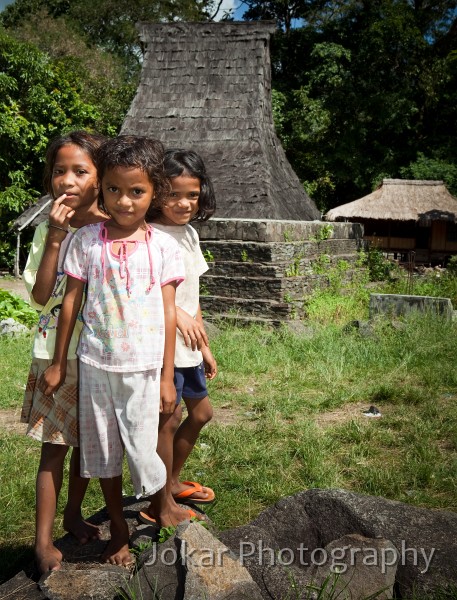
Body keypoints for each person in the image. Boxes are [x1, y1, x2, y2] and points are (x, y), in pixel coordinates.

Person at [39, 135, 186, 567]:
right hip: (95, 364)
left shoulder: (164, 247)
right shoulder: (86, 241)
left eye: (136, 192)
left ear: (154, 192)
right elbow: (70, 303)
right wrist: (57, 362)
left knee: (143, 449)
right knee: (102, 452)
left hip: (143, 368)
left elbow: (170, 315)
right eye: (115, 190)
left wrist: (165, 376)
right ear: (102, 190)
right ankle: (119, 527)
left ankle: (158, 505)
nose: (124, 201)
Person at [21, 130, 107, 574]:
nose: (67, 180)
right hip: (55, 355)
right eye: (59, 170)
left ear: (99, 178)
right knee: (54, 449)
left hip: (101, 355)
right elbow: (39, 296)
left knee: (88, 447)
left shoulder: (114, 228)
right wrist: (56, 236)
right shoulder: (46, 230)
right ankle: (41, 542)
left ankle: (73, 513)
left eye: (80, 170)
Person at [139, 148, 217, 526]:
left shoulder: (188, 234)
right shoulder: (148, 235)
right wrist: (180, 316)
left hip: (188, 347)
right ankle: (159, 502)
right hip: (161, 344)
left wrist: (204, 346)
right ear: (156, 192)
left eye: (192, 194)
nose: (184, 203)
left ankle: (170, 481)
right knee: (166, 421)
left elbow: (193, 295)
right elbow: (146, 290)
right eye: (173, 194)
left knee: (201, 413)